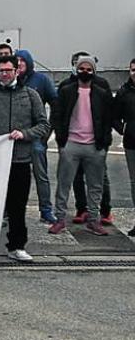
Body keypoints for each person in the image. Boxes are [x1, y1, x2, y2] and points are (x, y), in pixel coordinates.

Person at [0, 55, 51, 263]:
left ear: (17, 71)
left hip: (19, 160)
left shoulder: (31, 95)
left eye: (9, 70)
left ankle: (16, 245)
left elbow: (43, 125)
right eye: (1, 71)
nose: (5, 74)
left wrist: (25, 134)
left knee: (17, 206)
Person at [48, 55, 116, 236]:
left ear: (94, 71)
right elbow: (57, 115)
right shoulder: (66, 90)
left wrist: (104, 143)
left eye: (88, 69)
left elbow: (108, 118)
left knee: (96, 186)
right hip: (71, 144)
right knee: (63, 184)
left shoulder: (101, 93)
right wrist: (61, 141)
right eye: (81, 68)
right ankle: (59, 219)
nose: (84, 71)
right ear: (76, 69)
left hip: (95, 146)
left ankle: (93, 220)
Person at [16, 49, 59, 224]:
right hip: (16, 137)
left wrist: (47, 132)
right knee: (15, 176)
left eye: (22, 60)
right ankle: (11, 210)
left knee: (41, 175)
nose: (19, 64)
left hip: (36, 137)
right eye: (16, 60)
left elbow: (55, 104)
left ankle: (46, 210)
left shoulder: (41, 80)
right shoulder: (12, 80)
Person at [114, 59, 135, 237]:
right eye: (133, 70)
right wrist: (124, 130)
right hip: (132, 144)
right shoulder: (124, 92)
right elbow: (115, 116)